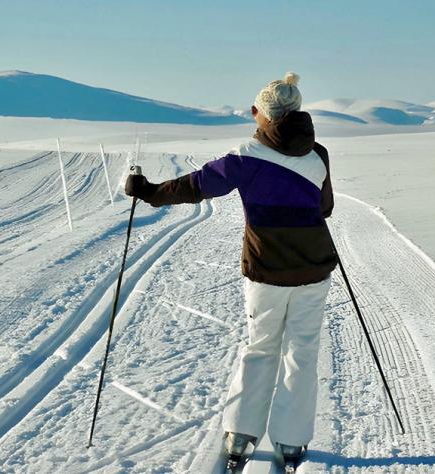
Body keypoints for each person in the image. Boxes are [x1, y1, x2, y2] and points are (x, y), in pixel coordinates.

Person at [125, 72, 337, 466]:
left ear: (263, 114)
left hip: (267, 270)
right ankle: (291, 443)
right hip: (313, 267)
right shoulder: (318, 153)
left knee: (261, 347)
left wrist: (149, 192)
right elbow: (324, 208)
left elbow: (196, 186)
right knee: (302, 351)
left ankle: (241, 436)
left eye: (254, 109)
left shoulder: (246, 157)